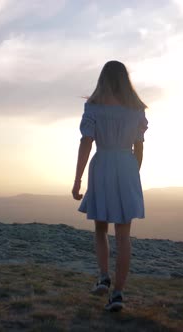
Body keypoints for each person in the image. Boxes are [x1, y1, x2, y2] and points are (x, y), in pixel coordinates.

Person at [72, 60, 148, 312]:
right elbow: (139, 147)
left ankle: (104, 276)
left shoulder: (94, 107)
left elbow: (86, 142)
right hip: (126, 166)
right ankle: (117, 294)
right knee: (123, 235)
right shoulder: (136, 110)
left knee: (100, 228)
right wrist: (132, 173)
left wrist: (77, 179)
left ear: (102, 79)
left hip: (102, 163)